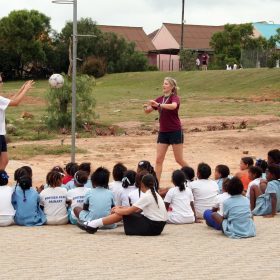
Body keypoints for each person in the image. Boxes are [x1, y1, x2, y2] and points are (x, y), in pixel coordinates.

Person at [77, 174, 167, 236]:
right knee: (122, 212)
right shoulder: (153, 194)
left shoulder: (147, 196)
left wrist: (116, 210)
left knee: (122, 214)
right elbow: (136, 209)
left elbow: (129, 211)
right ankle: (93, 225)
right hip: (158, 226)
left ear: (142, 184)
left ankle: (92, 224)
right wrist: (120, 208)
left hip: (152, 227)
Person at [144, 77, 187, 183]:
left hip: (175, 131)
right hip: (163, 132)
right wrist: (146, 106)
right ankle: (156, 185)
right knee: (158, 160)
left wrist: (158, 105)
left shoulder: (174, 98)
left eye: (166, 84)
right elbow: (147, 111)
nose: (164, 85)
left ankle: (192, 176)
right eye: (163, 83)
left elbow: (173, 106)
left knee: (179, 159)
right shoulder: (160, 99)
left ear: (172, 87)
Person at [0, 80, 34, 170]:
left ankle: (1, 179)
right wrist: (26, 89)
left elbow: (11, 100)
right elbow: (16, 102)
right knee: (2, 161)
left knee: (4, 160)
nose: (2, 83)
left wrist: (21, 89)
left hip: (1, 134)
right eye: (0, 81)